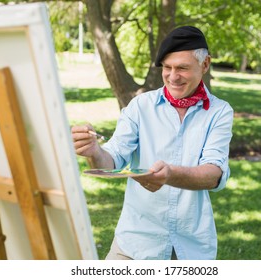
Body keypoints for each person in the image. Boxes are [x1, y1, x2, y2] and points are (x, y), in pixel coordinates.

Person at [71, 26, 233, 260]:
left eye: (182, 68)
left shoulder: (219, 112)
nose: (172, 76)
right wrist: (94, 151)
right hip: (135, 243)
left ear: (205, 64)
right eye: (167, 68)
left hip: (190, 247)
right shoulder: (140, 106)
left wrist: (170, 174)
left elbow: (214, 174)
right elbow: (112, 160)